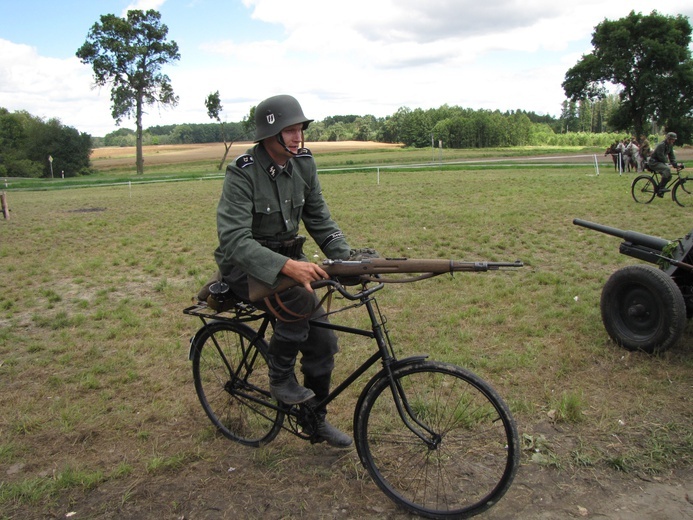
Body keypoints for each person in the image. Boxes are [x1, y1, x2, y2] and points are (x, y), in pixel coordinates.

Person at [213, 94, 353, 448]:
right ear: (269, 134)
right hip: (245, 268)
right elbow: (233, 239)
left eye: (300, 129)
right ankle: (280, 379)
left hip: (288, 266)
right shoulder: (242, 173)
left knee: (324, 341)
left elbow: (319, 218)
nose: (297, 137)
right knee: (299, 306)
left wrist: (345, 258)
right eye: (288, 130)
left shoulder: (304, 165)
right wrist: (286, 265)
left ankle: (313, 419)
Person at [648, 132, 680, 197]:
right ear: (668, 139)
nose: (673, 141)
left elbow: (672, 156)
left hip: (660, 162)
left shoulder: (670, 145)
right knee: (667, 169)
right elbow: (661, 157)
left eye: (674, 139)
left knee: (669, 176)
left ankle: (660, 190)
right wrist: (668, 162)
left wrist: (675, 164)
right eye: (672, 139)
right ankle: (661, 188)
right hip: (654, 162)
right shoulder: (661, 145)